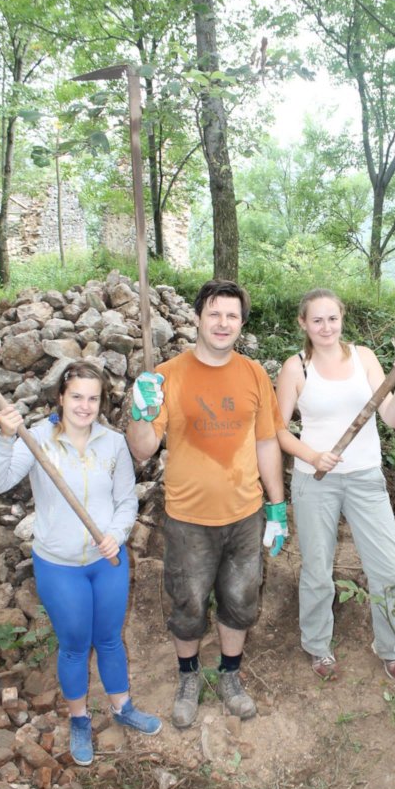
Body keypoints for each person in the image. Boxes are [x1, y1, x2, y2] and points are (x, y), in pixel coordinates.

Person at [127, 279, 287, 729]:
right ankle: (188, 676)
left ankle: (231, 676)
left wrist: (276, 507)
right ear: (198, 317)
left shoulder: (254, 373)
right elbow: (142, 449)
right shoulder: (167, 375)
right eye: (215, 313)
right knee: (188, 603)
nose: (223, 323)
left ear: (241, 324)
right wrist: (140, 412)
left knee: (240, 599)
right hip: (187, 518)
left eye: (232, 316)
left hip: (245, 515)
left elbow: (268, 442)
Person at [0, 362, 161, 767]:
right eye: (76, 397)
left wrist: (117, 534)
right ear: (61, 399)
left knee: (109, 638)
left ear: (101, 402)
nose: (85, 406)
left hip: (108, 560)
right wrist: (3, 438)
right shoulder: (35, 439)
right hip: (59, 565)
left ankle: (122, 707)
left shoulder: (112, 442)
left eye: (93, 398)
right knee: (73, 645)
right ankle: (81, 719)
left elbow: (126, 500)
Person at [275, 288, 395, 683]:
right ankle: (318, 646)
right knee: (318, 570)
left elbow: (391, 418)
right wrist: (311, 456)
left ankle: (391, 647)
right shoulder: (295, 368)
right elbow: (276, 430)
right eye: (317, 320)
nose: (326, 327)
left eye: (332, 318)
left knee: (390, 569)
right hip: (314, 481)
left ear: (342, 319)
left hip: (365, 477)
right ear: (303, 323)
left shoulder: (364, 358)